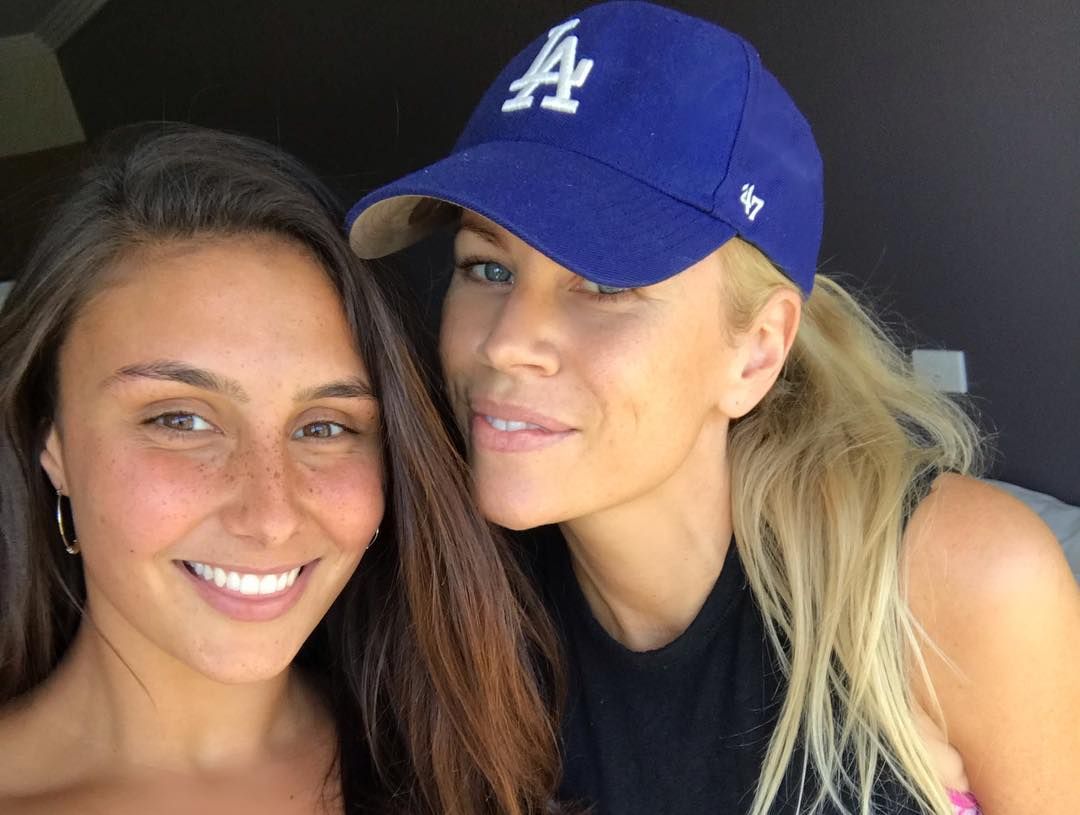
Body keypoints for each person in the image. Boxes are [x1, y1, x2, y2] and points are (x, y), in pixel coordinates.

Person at [345, 3, 1080, 814]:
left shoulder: (957, 587)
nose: (506, 342)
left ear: (756, 351)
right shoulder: (435, 610)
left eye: (606, 283)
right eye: (487, 267)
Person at [0, 125, 562, 815]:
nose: (269, 517)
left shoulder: (472, 766)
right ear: (53, 441)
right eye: (181, 420)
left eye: (324, 428)